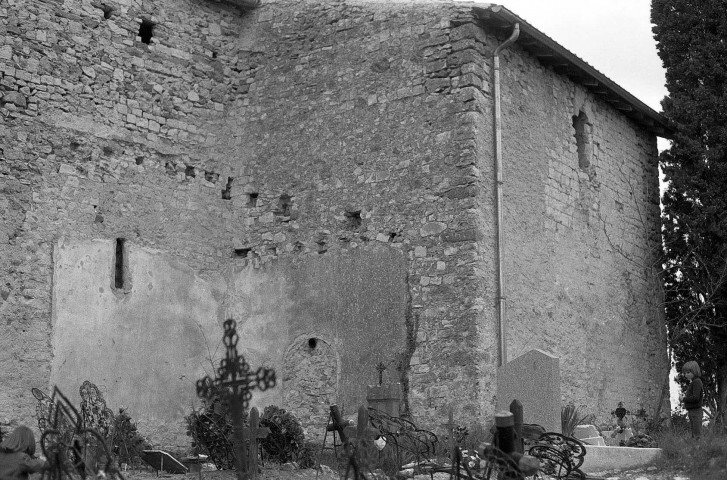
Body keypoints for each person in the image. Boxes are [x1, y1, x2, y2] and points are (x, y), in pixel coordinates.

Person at [682, 360, 704, 440]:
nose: (685, 375)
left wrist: (683, 399)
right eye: (684, 373)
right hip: (692, 410)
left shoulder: (697, 382)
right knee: (694, 433)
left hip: (696, 410)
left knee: (697, 434)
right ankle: (695, 449)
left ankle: (699, 450)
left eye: (688, 372)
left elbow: (696, 398)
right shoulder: (694, 382)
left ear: (694, 371)